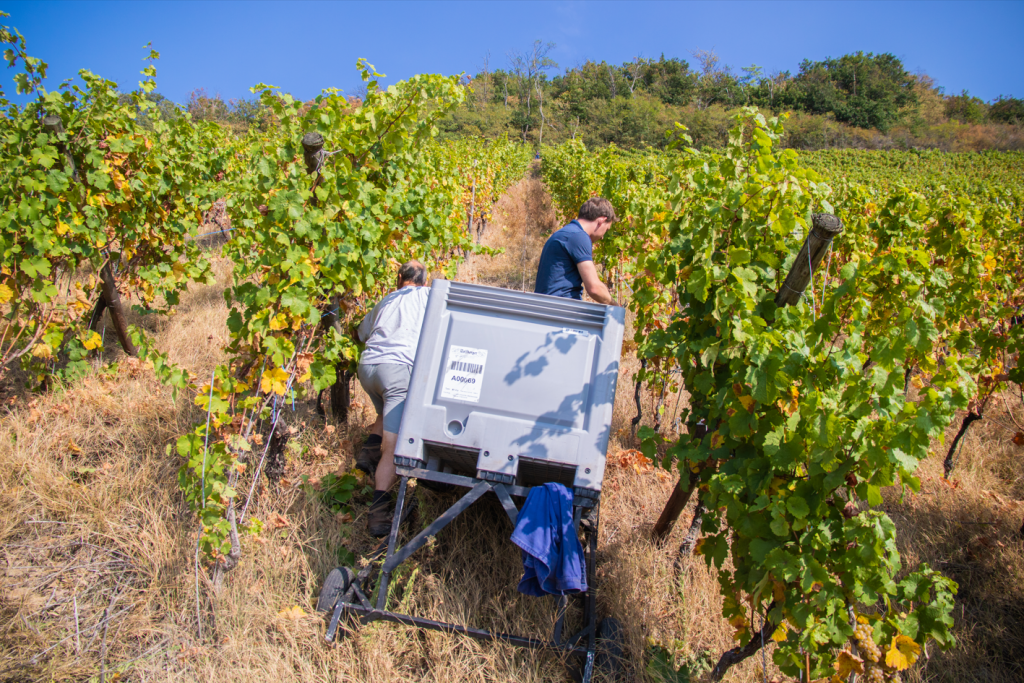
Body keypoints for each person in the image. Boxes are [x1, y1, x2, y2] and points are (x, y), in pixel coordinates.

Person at [354, 259, 429, 537]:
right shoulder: (428, 296)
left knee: (387, 409)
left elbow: (360, 334)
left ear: (399, 278)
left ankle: (366, 457)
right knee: (395, 446)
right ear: (425, 280)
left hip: (368, 367)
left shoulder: (386, 300)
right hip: (396, 371)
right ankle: (378, 515)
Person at [534, 197, 617, 304]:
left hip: (550, 306)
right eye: (606, 230)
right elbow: (594, 288)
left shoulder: (565, 233)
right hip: (562, 309)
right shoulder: (579, 236)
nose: (602, 237)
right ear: (601, 221)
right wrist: (615, 307)